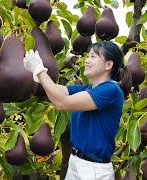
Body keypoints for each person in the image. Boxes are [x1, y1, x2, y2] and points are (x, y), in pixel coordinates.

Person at [23, 41, 124, 180]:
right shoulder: (88, 89)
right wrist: (37, 73)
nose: (87, 61)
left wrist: (39, 70)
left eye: (93, 57)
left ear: (108, 65)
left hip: (93, 169)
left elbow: (62, 103)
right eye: (88, 56)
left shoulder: (111, 90)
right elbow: (57, 91)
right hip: (76, 161)